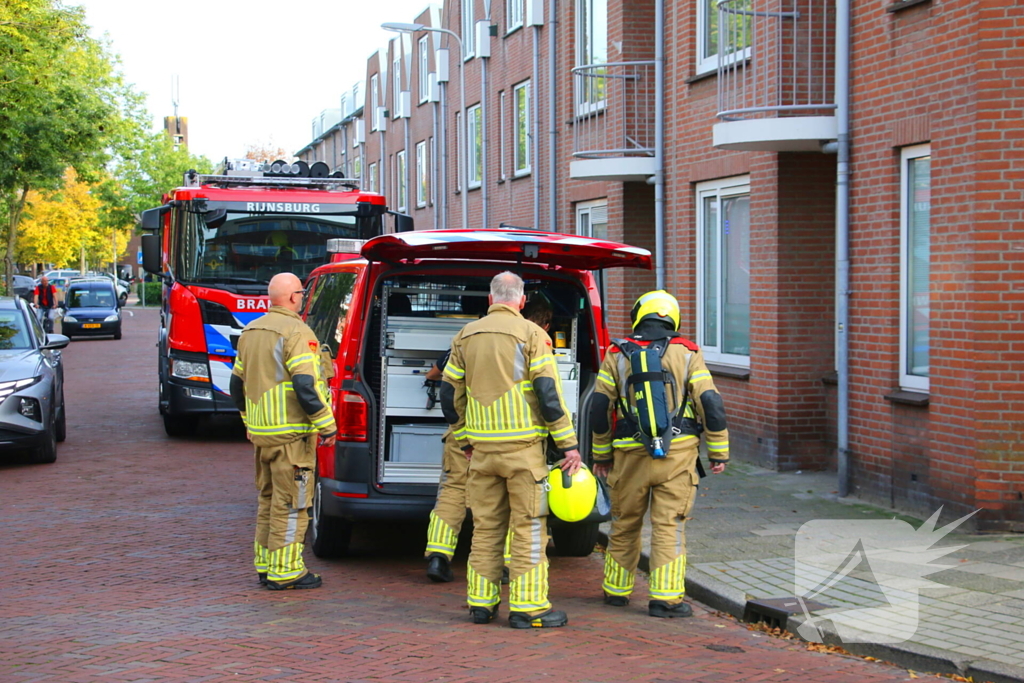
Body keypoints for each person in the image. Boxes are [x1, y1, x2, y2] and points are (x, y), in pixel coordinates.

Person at [441, 272, 580, 629]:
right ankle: (529, 608)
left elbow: (448, 396)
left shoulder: (465, 336)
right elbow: (549, 397)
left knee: (486, 528)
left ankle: (481, 605)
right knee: (529, 528)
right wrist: (568, 446)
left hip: (483, 453)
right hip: (523, 454)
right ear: (520, 301)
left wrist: (464, 438)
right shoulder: (534, 335)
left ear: (491, 299)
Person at [591, 290, 729, 618]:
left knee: (624, 522)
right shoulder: (687, 352)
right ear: (673, 317)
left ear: (639, 315)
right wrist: (718, 451)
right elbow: (710, 402)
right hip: (678, 455)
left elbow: (599, 407)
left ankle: (616, 591)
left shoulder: (617, 352)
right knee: (669, 524)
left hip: (628, 455)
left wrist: (601, 455)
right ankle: (665, 599)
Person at [422, 292, 550, 583]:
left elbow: (438, 376)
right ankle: (504, 565)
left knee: (453, 491)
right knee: (508, 505)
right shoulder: (534, 340)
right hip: (514, 441)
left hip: (466, 435)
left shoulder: (472, 335)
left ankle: (439, 555)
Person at [230, 273, 337, 590]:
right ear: (293, 297)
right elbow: (306, 385)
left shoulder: (251, 330)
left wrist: (248, 420)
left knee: (268, 500)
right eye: (301, 293)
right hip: (293, 438)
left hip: (263, 434)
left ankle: (265, 565)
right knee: (292, 504)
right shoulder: (297, 332)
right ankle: (287, 571)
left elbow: (236, 383)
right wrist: (326, 425)